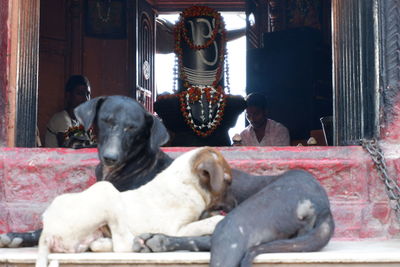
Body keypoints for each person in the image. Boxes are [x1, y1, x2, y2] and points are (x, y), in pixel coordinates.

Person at [45, 75, 92, 147]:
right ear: (68, 95)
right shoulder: (61, 118)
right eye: (79, 93)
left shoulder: (79, 121)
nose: (85, 99)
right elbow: (70, 147)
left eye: (88, 94)